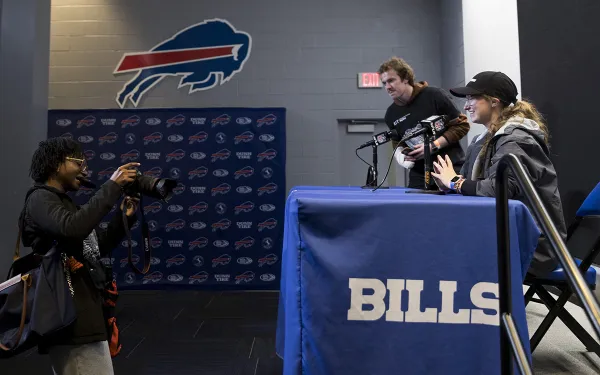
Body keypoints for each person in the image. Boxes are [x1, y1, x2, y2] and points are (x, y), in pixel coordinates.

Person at [19, 137, 141, 375]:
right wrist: (112, 186)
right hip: (69, 318)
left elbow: (96, 247)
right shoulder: (40, 198)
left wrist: (123, 218)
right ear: (56, 164)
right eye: (79, 161)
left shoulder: (63, 204)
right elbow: (73, 228)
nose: (84, 169)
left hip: (83, 314)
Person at [431, 71, 566, 276]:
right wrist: (449, 184)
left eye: (472, 98)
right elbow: (469, 185)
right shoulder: (481, 142)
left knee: (445, 249)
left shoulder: (518, 139)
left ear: (494, 102)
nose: (466, 106)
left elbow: (500, 189)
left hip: (532, 246)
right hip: (504, 234)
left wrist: (455, 182)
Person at [378, 57, 470, 188]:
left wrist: (433, 145)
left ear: (405, 78)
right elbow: (397, 141)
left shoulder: (434, 95)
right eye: (384, 83)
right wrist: (402, 153)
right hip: (419, 175)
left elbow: (462, 125)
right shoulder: (390, 114)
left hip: (450, 168)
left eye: (391, 80)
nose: (388, 87)